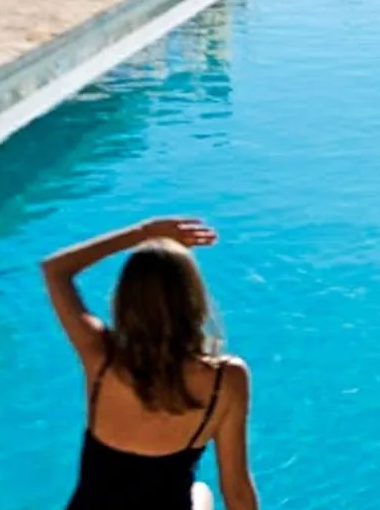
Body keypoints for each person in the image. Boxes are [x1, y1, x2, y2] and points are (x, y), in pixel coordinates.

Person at [43, 216, 258, 510]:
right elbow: (237, 492)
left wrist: (142, 233)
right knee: (201, 494)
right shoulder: (226, 379)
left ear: (125, 300)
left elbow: (55, 270)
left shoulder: (101, 358)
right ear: (193, 301)